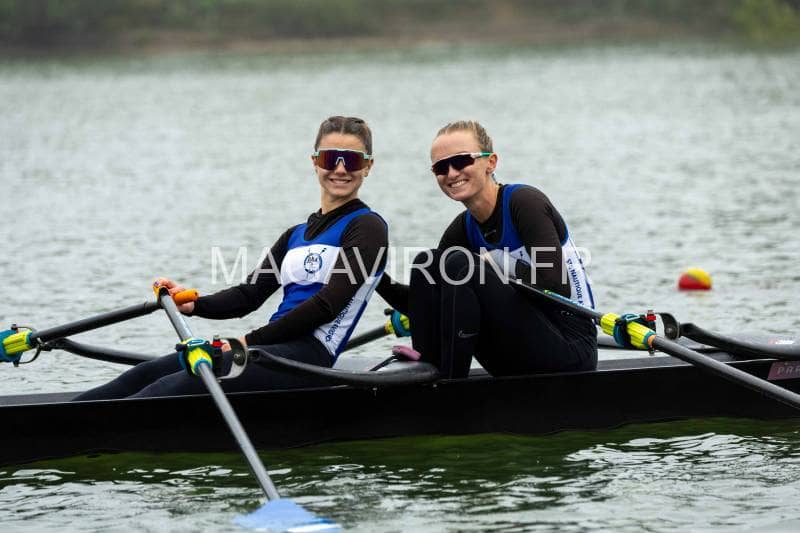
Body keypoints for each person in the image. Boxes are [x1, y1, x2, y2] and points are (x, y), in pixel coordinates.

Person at [75, 116, 387, 400]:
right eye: (331, 158)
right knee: (144, 374)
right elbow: (248, 296)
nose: (341, 169)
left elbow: (327, 305)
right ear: (315, 162)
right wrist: (195, 304)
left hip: (309, 357)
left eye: (352, 160)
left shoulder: (367, 228)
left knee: (169, 388)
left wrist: (247, 342)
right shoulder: (295, 234)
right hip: (271, 348)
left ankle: (95, 433)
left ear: (368, 166)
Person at [377, 120, 597, 378]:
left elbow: (557, 286)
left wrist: (498, 262)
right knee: (428, 262)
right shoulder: (463, 229)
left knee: (459, 265)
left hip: (571, 346)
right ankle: (430, 372)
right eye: (441, 167)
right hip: (517, 346)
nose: (451, 173)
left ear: (491, 162)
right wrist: (374, 275)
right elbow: (427, 302)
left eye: (461, 161)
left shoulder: (525, 204)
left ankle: (449, 386)